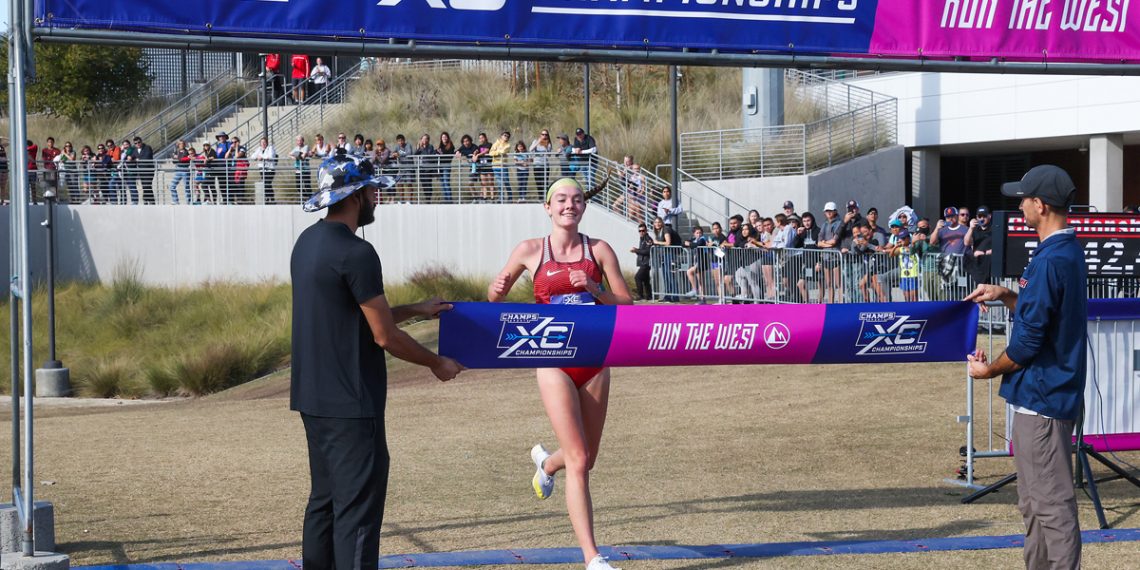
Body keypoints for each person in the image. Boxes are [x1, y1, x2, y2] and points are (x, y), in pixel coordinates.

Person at [291, 154, 463, 570]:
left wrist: (417, 308)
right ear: (356, 196)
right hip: (352, 403)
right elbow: (384, 336)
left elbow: (356, 316)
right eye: (373, 190)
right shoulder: (357, 253)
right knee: (358, 512)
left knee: (325, 503)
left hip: (313, 398)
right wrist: (436, 363)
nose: (377, 198)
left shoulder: (307, 243)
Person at [487, 177, 632, 570]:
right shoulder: (531, 250)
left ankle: (547, 464)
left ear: (584, 207)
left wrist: (596, 289)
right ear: (548, 207)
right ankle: (593, 558)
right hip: (552, 359)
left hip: (595, 361)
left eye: (577, 199)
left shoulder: (599, 250)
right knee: (580, 458)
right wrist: (497, 288)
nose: (570, 205)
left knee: (586, 458)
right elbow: (494, 296)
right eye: (562, 199)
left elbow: (626, 304)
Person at [965, 164, 1086, 570]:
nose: (1019, 205)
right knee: (1033, 505)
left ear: (1042, 205)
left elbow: (1028, 343)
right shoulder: (1064, 251)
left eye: (1024, 198)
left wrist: (988, 372)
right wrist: (1006, 295)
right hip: (1044, 396)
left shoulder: (1053, 258)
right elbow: (1042, 317)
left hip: (1043, 400)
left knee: (1050, 506)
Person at [630, 222, 654, 301]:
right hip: (644, 262)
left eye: (643, 230)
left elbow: (648, 251)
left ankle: (640, 295)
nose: (641, 232)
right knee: (646, 280)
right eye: (640, 231)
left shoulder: (648, 239)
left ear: (646, 230)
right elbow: (642, 251)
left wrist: (636, 250)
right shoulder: (642, 239)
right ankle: (649, 296)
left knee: (637, 277)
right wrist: (636, 251)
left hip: (646, 263)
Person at [252, 137, 278, 204]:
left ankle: (271, 198)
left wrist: (261, 157)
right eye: (262, 142)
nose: (263, 144)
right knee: (265, 184)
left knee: (267, 183)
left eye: (264, 142)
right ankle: (268, 198)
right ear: (260, 143)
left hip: (270, 169)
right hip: (262, 170)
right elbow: (253, 156)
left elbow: (270, 156)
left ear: (267, 143)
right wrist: (258, 157)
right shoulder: (259, 149)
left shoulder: (270, 148)